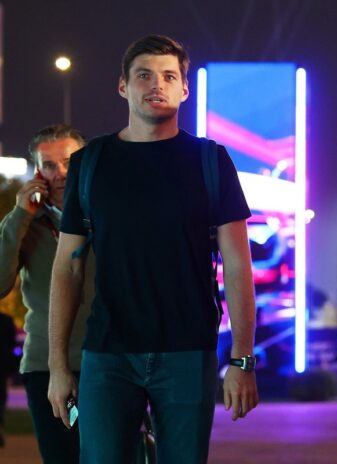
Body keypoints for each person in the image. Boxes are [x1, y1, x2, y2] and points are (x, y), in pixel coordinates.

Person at [47, 35, 259, 463]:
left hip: (187, 350)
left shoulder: (210, 161)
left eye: (169, 76)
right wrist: (58, 366)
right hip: (108, 352)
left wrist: (242, 361)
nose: (157, 84)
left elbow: (238, 265)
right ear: (123, 86)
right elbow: (67, 267)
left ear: (184, 89)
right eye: (144, 75)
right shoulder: (90, 163)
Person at [0, 124, 90, 461]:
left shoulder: (108, 214)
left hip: (108, 361)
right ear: (37, 172)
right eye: (49, 165)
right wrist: (20, 215)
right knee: (62, 456)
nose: (60, 173)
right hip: (46, 367)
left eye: (69, 162)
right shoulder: (25, 224)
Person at [0, 312, 17, 448]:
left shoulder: (6, 320)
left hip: (3, 366)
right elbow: (12, 345)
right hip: (3, 366)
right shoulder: (6, 320)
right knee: (1, 398)